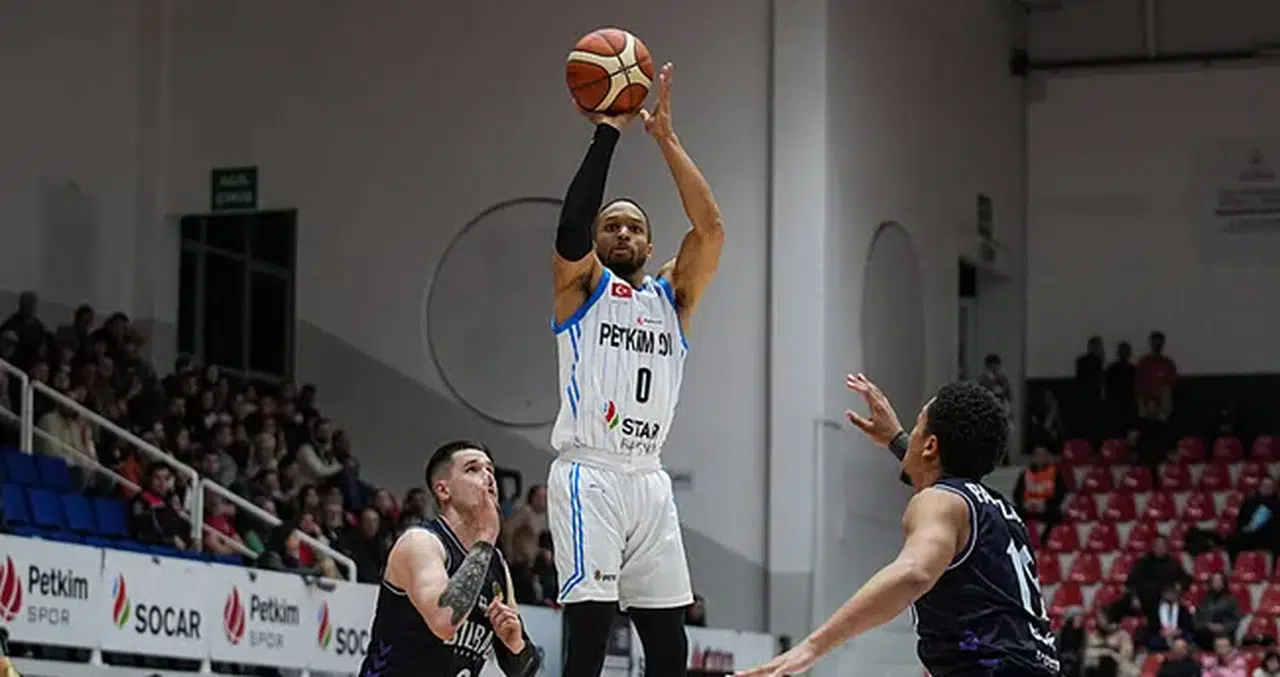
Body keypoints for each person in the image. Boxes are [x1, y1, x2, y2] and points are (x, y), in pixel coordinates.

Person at [548, 61, 725, 677]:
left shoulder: (673, 298)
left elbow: (711, 228)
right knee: (590, 638)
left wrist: (666, 140)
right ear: (597, 242)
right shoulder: (581, 289)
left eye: (634, 227)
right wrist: (609, 131)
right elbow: (569, 226)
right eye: (611, 226)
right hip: (589, 471)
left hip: (649, 477)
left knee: (670, 647)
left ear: (651, 246)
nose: (622, 233)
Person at [738, 375, 1059, 677]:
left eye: (917, 425)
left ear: (931, 446)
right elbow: (939, 471)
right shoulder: (1001, 510)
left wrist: (812, 647)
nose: (911, 432)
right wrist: (896, 440)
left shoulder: (938, 501)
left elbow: (914, 573)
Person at [358, 441, 539, 677]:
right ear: (443, 490)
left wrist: (515, 644)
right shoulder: (420, 542)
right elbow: (444, 621)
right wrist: (486, 536)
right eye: (472, 469)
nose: (488, 477)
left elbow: (523, 671)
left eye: (490, 470)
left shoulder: (495, 562)